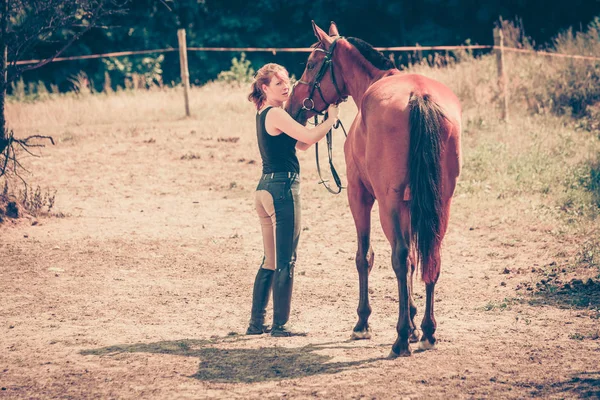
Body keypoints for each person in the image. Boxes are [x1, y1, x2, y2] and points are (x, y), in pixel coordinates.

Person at [246, 63, 340, 337]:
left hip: (264, 190)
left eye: (287, 81)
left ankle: (256, 323)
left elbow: (302, 143)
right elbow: (310, 137)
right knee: (287, 260)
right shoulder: (276, 113)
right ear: (265, 88)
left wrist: (313, 120)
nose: (287, 86)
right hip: (282, 190)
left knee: (271, 259)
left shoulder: (264, 114)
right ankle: (280, 325)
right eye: (279, 84)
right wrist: (330, 120)